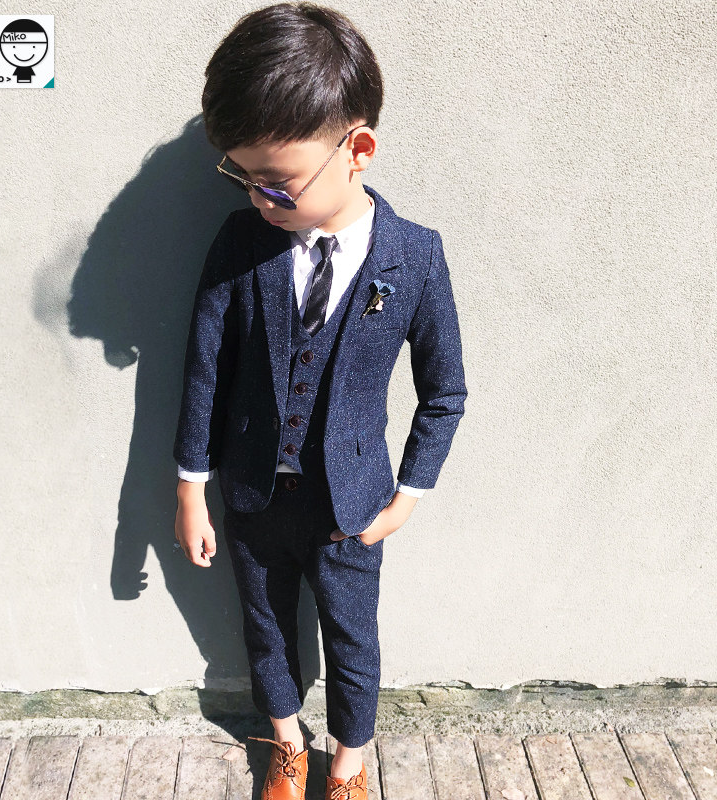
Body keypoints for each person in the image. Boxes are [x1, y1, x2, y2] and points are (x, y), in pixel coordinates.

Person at [173, 3, 467, 798]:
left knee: (353, 640)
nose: (258, 198)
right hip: (253, 494)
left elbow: (445, 392)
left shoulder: (416, 257)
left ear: (357, 150)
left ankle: (347, 765)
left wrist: (407, 496)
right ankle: (285, 744)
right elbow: (204, 368)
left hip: (353, 504)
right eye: (242, 177)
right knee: (265, 628)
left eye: (277, 183)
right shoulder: (241, 244)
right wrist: (191, 487)